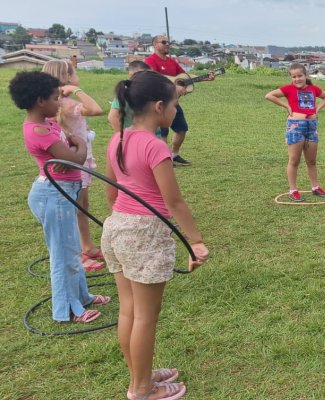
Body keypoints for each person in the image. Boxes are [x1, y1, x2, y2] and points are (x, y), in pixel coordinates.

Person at [102, 70, 209, 400]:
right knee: (145, 317)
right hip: (144, 233)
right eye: (175, 103)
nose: (177, 109)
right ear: (159, 106)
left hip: (117, 228)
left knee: (128, 311)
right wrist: (196, 242)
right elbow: (173, 200)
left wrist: (118, 221)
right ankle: (142, 389)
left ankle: (140, 375)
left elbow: (111, 190)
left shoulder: (117, 138)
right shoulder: (155, 145)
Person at [9, 71, 110, 324]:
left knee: (72, 249)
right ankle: (66, 310)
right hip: (54, 195)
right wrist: (81, 146)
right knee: (62, 255)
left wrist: (72, 151)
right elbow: (73, 157)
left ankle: (82, 296)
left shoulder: (49, 124)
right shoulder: (38, 130)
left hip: (65, 191)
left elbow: (69, 154)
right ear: (40, 100)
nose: (59, 103)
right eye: (55, 98)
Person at [41, 60, 106, 271]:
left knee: (82, 205)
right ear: (67, 78)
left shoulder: (56, 102)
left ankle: (87, 246)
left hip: (80, 157)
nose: (77, 76)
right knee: (76, 207)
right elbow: (96, 110)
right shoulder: (67, 103)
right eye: (74, 73)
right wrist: (77, 90)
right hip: (76, 160)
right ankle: (78, 253)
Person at [264, 63, 325, 202]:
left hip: (312, 127)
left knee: (311, 161)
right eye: (294, 77)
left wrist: (317, 110)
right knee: (294, 160)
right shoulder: (288, 89)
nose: (297, 79)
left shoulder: (313, 89)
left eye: (299, 76)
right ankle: (293, 190)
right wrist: (286, 106)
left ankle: (315, 187)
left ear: (305, 75)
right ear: (291, 78)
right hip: (296, 126)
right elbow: (269, 95)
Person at [144, 35, 212, 166]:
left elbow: (184, 77)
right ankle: (163, 159)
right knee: (162, 132)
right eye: (164, 42)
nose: (167, 44)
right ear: (155, 45)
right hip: (158, 103)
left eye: (168, 42)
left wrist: (205, 77)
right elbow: (153, 79)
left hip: (173, 103)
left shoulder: (171, 62)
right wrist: (175, 87)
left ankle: (174, 154)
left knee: (182, 129)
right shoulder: (150, 61)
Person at [108, 61, 152, 132]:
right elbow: (112, 117)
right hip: (135, 137)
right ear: (131, 75)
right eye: (144, 76)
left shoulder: (148, 92)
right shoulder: (126, 93)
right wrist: (123, 137)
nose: (148, 79)